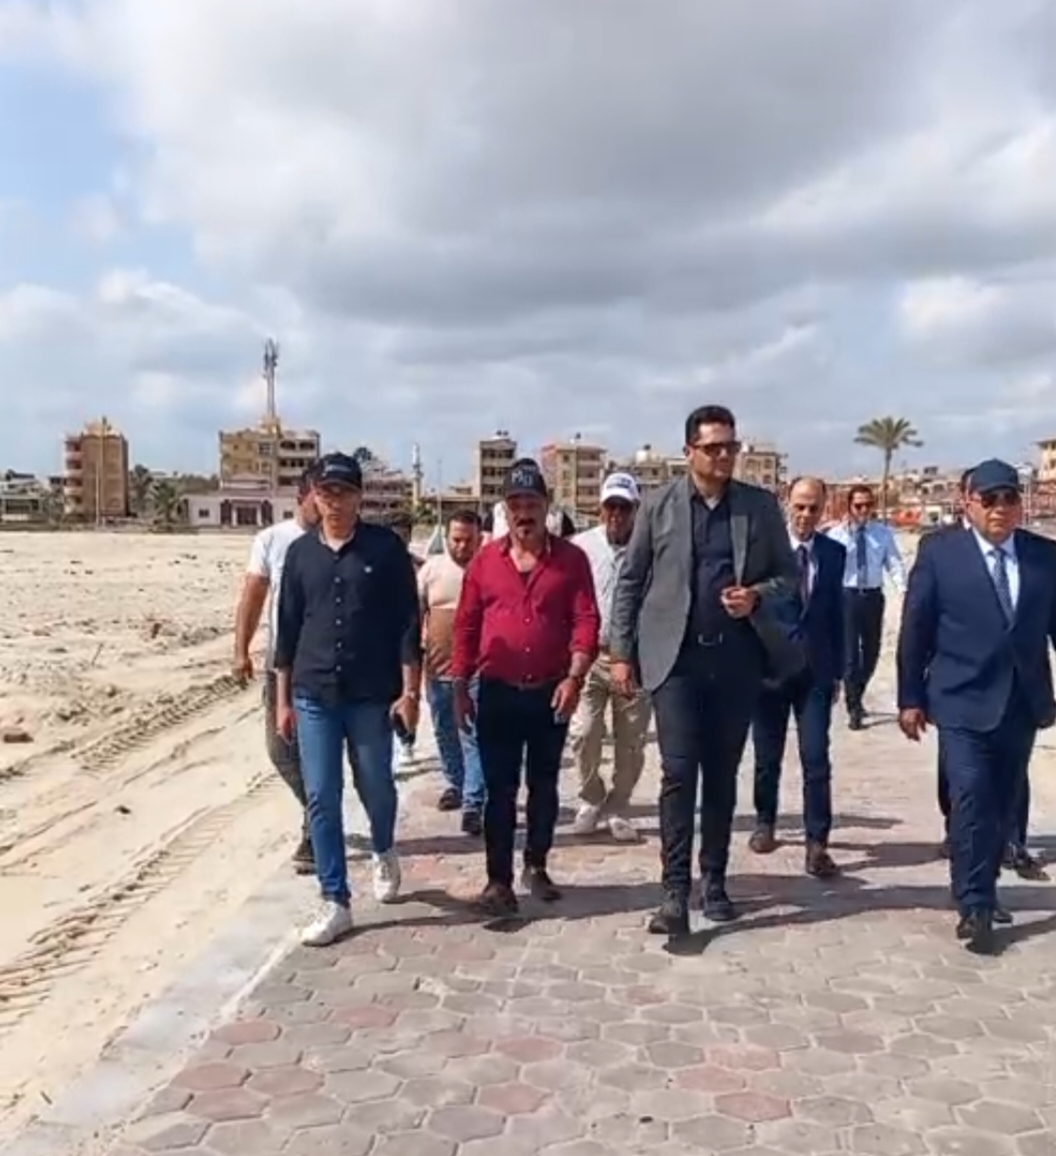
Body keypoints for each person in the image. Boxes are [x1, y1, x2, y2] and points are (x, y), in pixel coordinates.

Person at [610, 404, 801, 938]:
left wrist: (756, 596)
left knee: (720, 775)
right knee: (677, 772)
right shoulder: (658, 506)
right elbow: (631, 581)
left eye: (730, 446)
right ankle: (674, 891)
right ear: (689, 451)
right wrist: (621, 652)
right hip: (676, 662)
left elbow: (789, 578)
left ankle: (714, 881)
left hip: (736, 660)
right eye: (713, 447)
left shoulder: (758, 508)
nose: (723, 456)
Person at [896, 459, 1056, 954]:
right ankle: (976, 904)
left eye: (1009, 498)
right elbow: (916, 630)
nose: (1000, 508)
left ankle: (981, 884)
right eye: (989, 499)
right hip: (960, 698)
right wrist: (910, 697)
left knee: (1003, 803)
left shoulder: (1044, 557)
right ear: (968, 503)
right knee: (970, 797)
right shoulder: (941, 555)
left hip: (1021, 702)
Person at [274, 452, 422, 946]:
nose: (334, 502)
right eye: (325, 493)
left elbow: (408, 623)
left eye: (343, 492)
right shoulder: (299, 554)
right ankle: (335, 899)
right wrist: (282, 701)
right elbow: (286, 630)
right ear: (313, 497)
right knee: (321, 794)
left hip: (369, 694)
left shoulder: (385, 549)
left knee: (376, 784)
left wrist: (410, 692)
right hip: (313, 692)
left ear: (359, 497)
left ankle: (383, 846)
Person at [451, 458, 600, 916]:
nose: (524, 513)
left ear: (546, 507)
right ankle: (497, 881)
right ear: (505, 510)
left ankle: (536, 863)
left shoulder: (571, 561)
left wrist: (575, 677)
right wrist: (459, 687)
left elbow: (586, 620)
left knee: (544, 784)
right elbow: (466, 627)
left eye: (531, 503)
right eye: (515, 504)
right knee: (499, 789)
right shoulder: (484, 563)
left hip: (550, 692)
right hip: (497, 691)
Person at [749, 477, 845, 877]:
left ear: (824, 509)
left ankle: (817, 842)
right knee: (766, 756)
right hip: (769, 671)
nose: (806, 515)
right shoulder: (764, 552)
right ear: (786, 503)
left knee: (816, 757)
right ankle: (765, 821)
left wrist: (839, 671)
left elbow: (838, 614)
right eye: (800, 506)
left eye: (814, 508)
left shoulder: (834, 553)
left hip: (815, 671)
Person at [232, 465, 320, 874]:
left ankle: (315, 831)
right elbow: (252, 597)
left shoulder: (339, 541)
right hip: (279, 663)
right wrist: (241, 650)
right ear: (302, 497)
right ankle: (320, 812)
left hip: (322, 666)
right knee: (280, 751)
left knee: (314, 751)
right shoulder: (271, 540)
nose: (328, 504)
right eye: (320, 496)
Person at [569, 472, 651, 842]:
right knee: (584, 732)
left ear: (635, 509)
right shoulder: (582, 547)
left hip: (635, 659)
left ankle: (618, 806)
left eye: (624, 507)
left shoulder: (649, 548)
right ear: (601, 509)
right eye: (610, 506)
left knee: (630, 741)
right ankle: (591, 797)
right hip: (590, 655)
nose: (616, 514)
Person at [417, 509, 486, 835]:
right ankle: (456, 783)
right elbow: (416, 617)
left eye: (468, 540)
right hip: (438, 669)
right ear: (446, 538)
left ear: (479, 539)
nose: (462, 546)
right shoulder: (431, 571)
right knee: (445, 730)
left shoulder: (488, 570)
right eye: (456, 540)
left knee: (473, 735)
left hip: (477, 672)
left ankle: (474, 801)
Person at [826, 485, 906, 729]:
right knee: (850, 655)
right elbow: (829, 566)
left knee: (871, 653)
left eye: (868, 505)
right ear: (849, 506)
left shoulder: (882, 533)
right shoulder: (837, 535)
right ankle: (854, 708)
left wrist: (904, 590)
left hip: (872, 597)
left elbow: (894, 562)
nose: (863, 510)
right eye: (858, 506)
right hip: (846, 596)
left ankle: (857, 694)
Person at [388, 510, 421, 768]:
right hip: (385, 640)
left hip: (413, 638)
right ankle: (393, 741)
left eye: (405, 534)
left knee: (411, 693)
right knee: (386, 695)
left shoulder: (419, 567)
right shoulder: (378, 564)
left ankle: (408, 738)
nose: (401, 539)